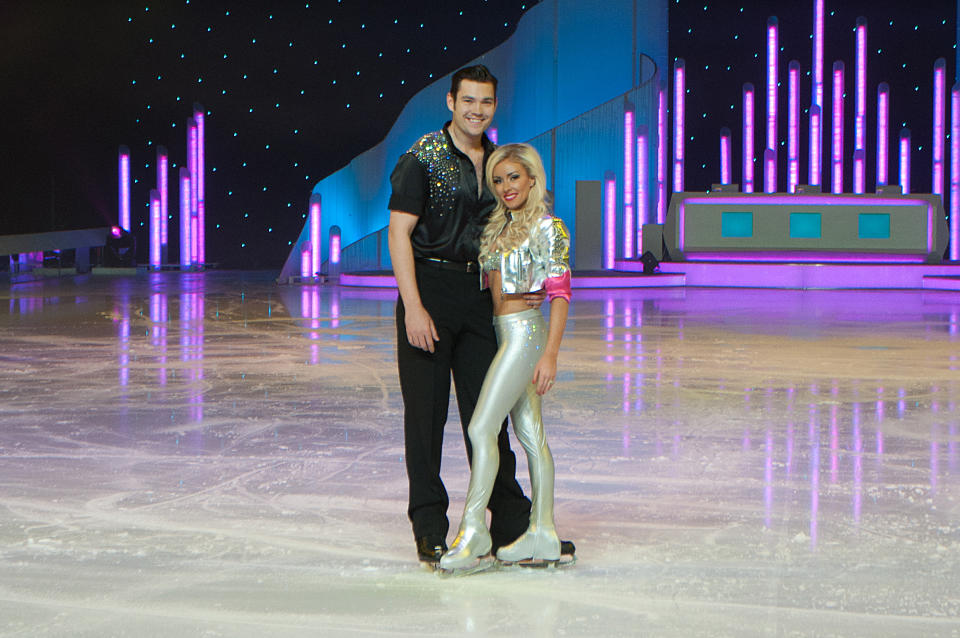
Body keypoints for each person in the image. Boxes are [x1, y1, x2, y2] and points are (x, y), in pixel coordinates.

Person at [387, 65, 534, 564]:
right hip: (428, 290)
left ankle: (511, 520)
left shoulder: (498, 162)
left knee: (487, 416)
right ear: (451, 102)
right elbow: (398, 234)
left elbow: (515, 231)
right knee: (425, 419)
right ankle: (429, 525)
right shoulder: (421, 157)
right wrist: (413, 307)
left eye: (486, 102)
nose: (477, 110)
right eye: (468, 100)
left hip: (479, 296)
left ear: (496, 105)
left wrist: (524, 288)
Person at [439, 143, 571, 570]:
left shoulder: (548, 226)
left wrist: (549, 354)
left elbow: (561, 294)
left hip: (524, 335)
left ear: (532, 178)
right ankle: (542, 533)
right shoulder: (499, 227)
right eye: (498, 180)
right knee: (530, 432)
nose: (506, 187)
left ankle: (475, 532)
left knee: (481, 429)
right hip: (502, 334)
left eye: (514, 177)